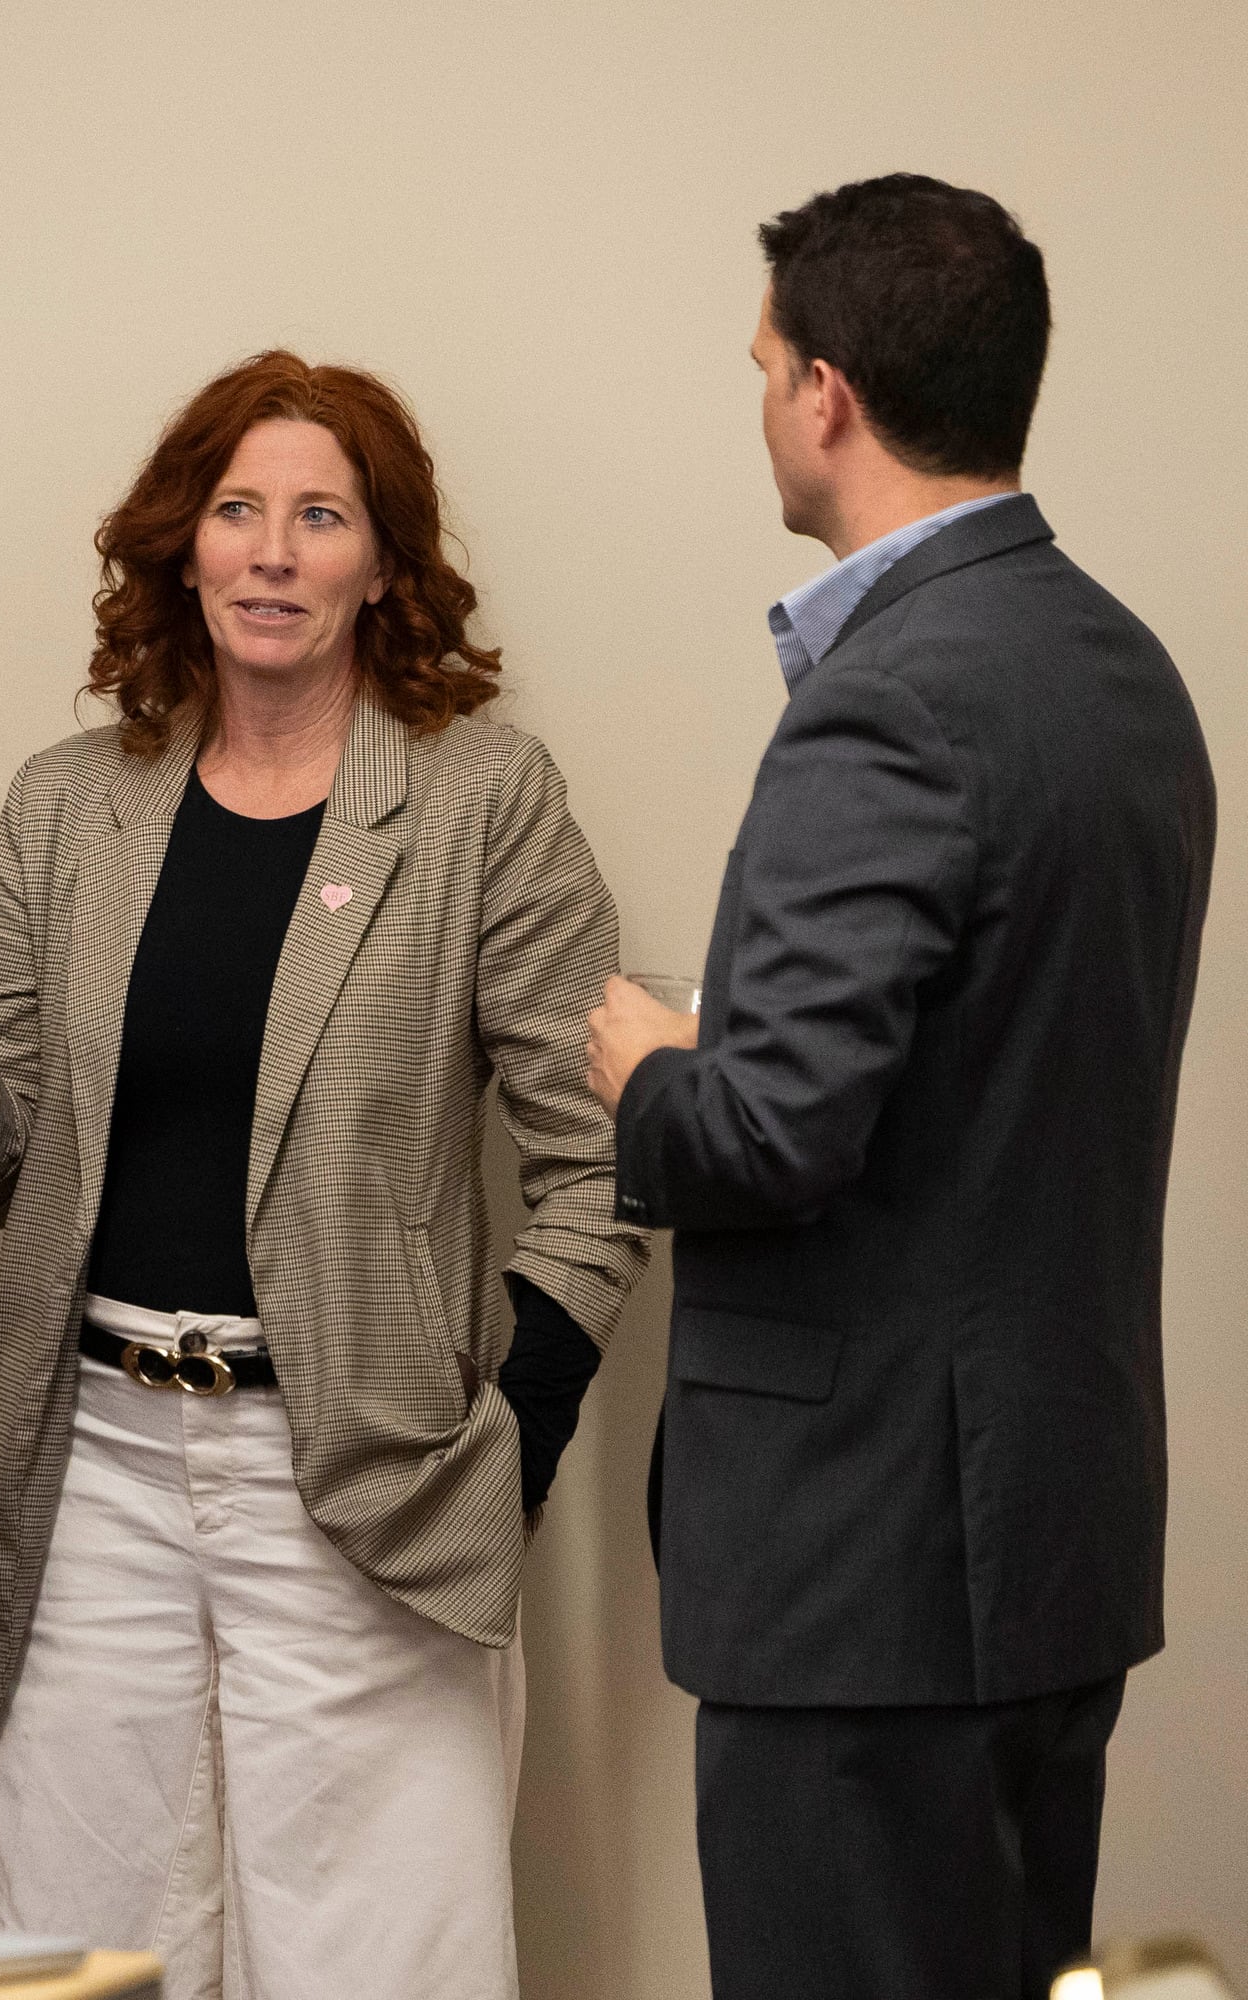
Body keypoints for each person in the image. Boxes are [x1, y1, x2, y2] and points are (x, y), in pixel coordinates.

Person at [0, 351, 647, 2000]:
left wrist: (512, 1428)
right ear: (184, 545)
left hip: (365, 1476)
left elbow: (598, 1146)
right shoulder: (68, 805)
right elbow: (10, 1159)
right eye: (238, 510)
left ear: (385, 560)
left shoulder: (477, 802)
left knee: (383, 1964)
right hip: (92, 1474)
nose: (274, 551)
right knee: (62, 1956)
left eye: (321, 514)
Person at [588, 176, 1214, 1999]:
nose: (764, 394)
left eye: (766, 360)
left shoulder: (889, 701)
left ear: (828, 396)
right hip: (1047, 1543)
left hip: (863, 1577)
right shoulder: (1126, 676)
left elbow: (771, 1132)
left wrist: (646, 1069)